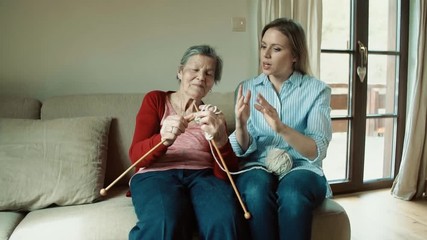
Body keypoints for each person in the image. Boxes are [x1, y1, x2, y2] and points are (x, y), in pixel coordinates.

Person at [229, 18, 333, 240]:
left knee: (293, 193)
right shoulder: (246, 88)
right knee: (256, 190)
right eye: (263, 46)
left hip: (302, 167)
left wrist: (281, 128)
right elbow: (242, 149)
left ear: (295, 56)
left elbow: (317, 150)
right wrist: (240, 124)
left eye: (276, 49)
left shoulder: (317, 90)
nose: (266, 55)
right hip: (257, 165)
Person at [128, 44, 246, 240]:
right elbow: (136, 159)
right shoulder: (156, 100)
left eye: (209, 73)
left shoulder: (214, 116)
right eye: (195, 69)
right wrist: (162, 139)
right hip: (156, 175)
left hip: (203, 176)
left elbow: (226, 174)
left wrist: (221, 140)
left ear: (212, 83)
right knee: (164, 222)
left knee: (226, 220)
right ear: (180, 71)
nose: (201, 77)